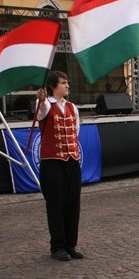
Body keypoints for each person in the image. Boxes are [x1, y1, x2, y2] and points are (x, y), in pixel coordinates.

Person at [35, 71, 84, 262]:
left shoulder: (72, 108)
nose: (67, 86)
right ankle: (57, 246)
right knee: (56, 205)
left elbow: (75, 131)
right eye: (63, 83)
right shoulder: (46, 105)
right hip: (53, 162)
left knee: (73, 204)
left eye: (67, 82)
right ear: (53, 86)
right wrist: (40, 98)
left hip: (71, 161)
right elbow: (42, 110)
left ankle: (71, 244)